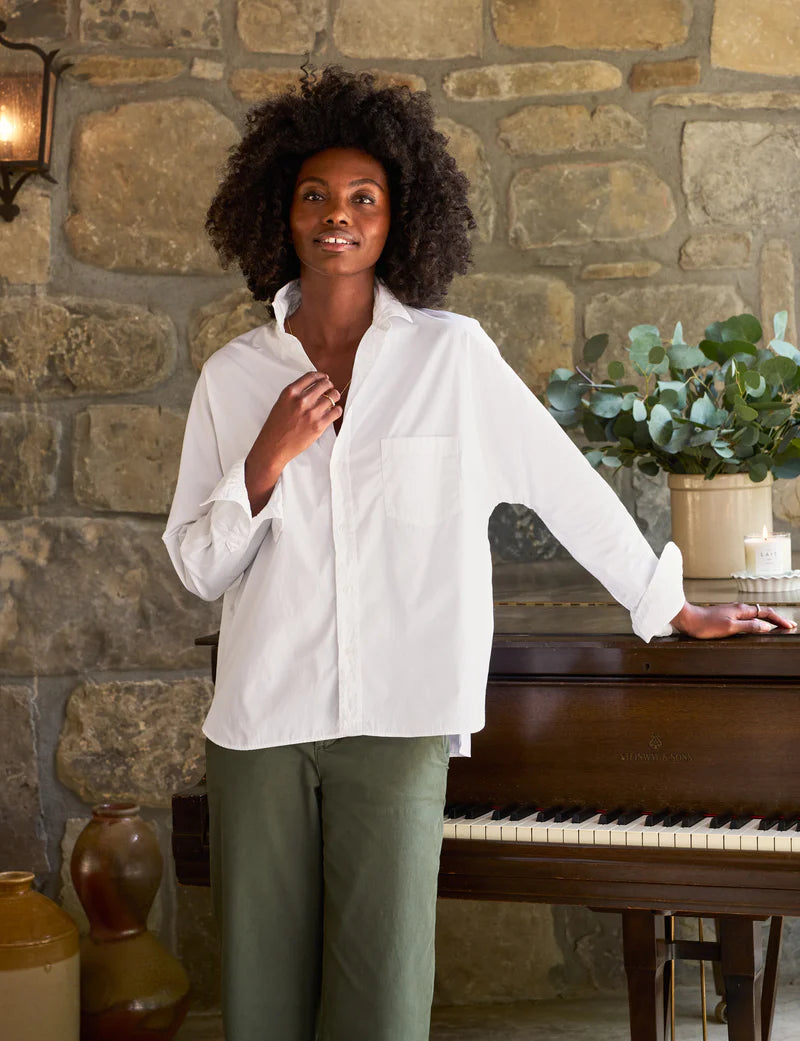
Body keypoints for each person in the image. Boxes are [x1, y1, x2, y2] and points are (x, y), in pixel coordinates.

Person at [163, 66, 795, 1041]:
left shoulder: (448, 360)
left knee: (381, 1007)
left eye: (362, 198)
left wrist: (666, 606)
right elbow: (198, 566)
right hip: (261, 721)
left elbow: (567, 490)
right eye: (315, 197)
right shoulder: (233, 377)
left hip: (400, 720)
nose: (337, 216)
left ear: (396, 217)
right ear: (279, 214)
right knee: (259, 1008)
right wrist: (262, 462)